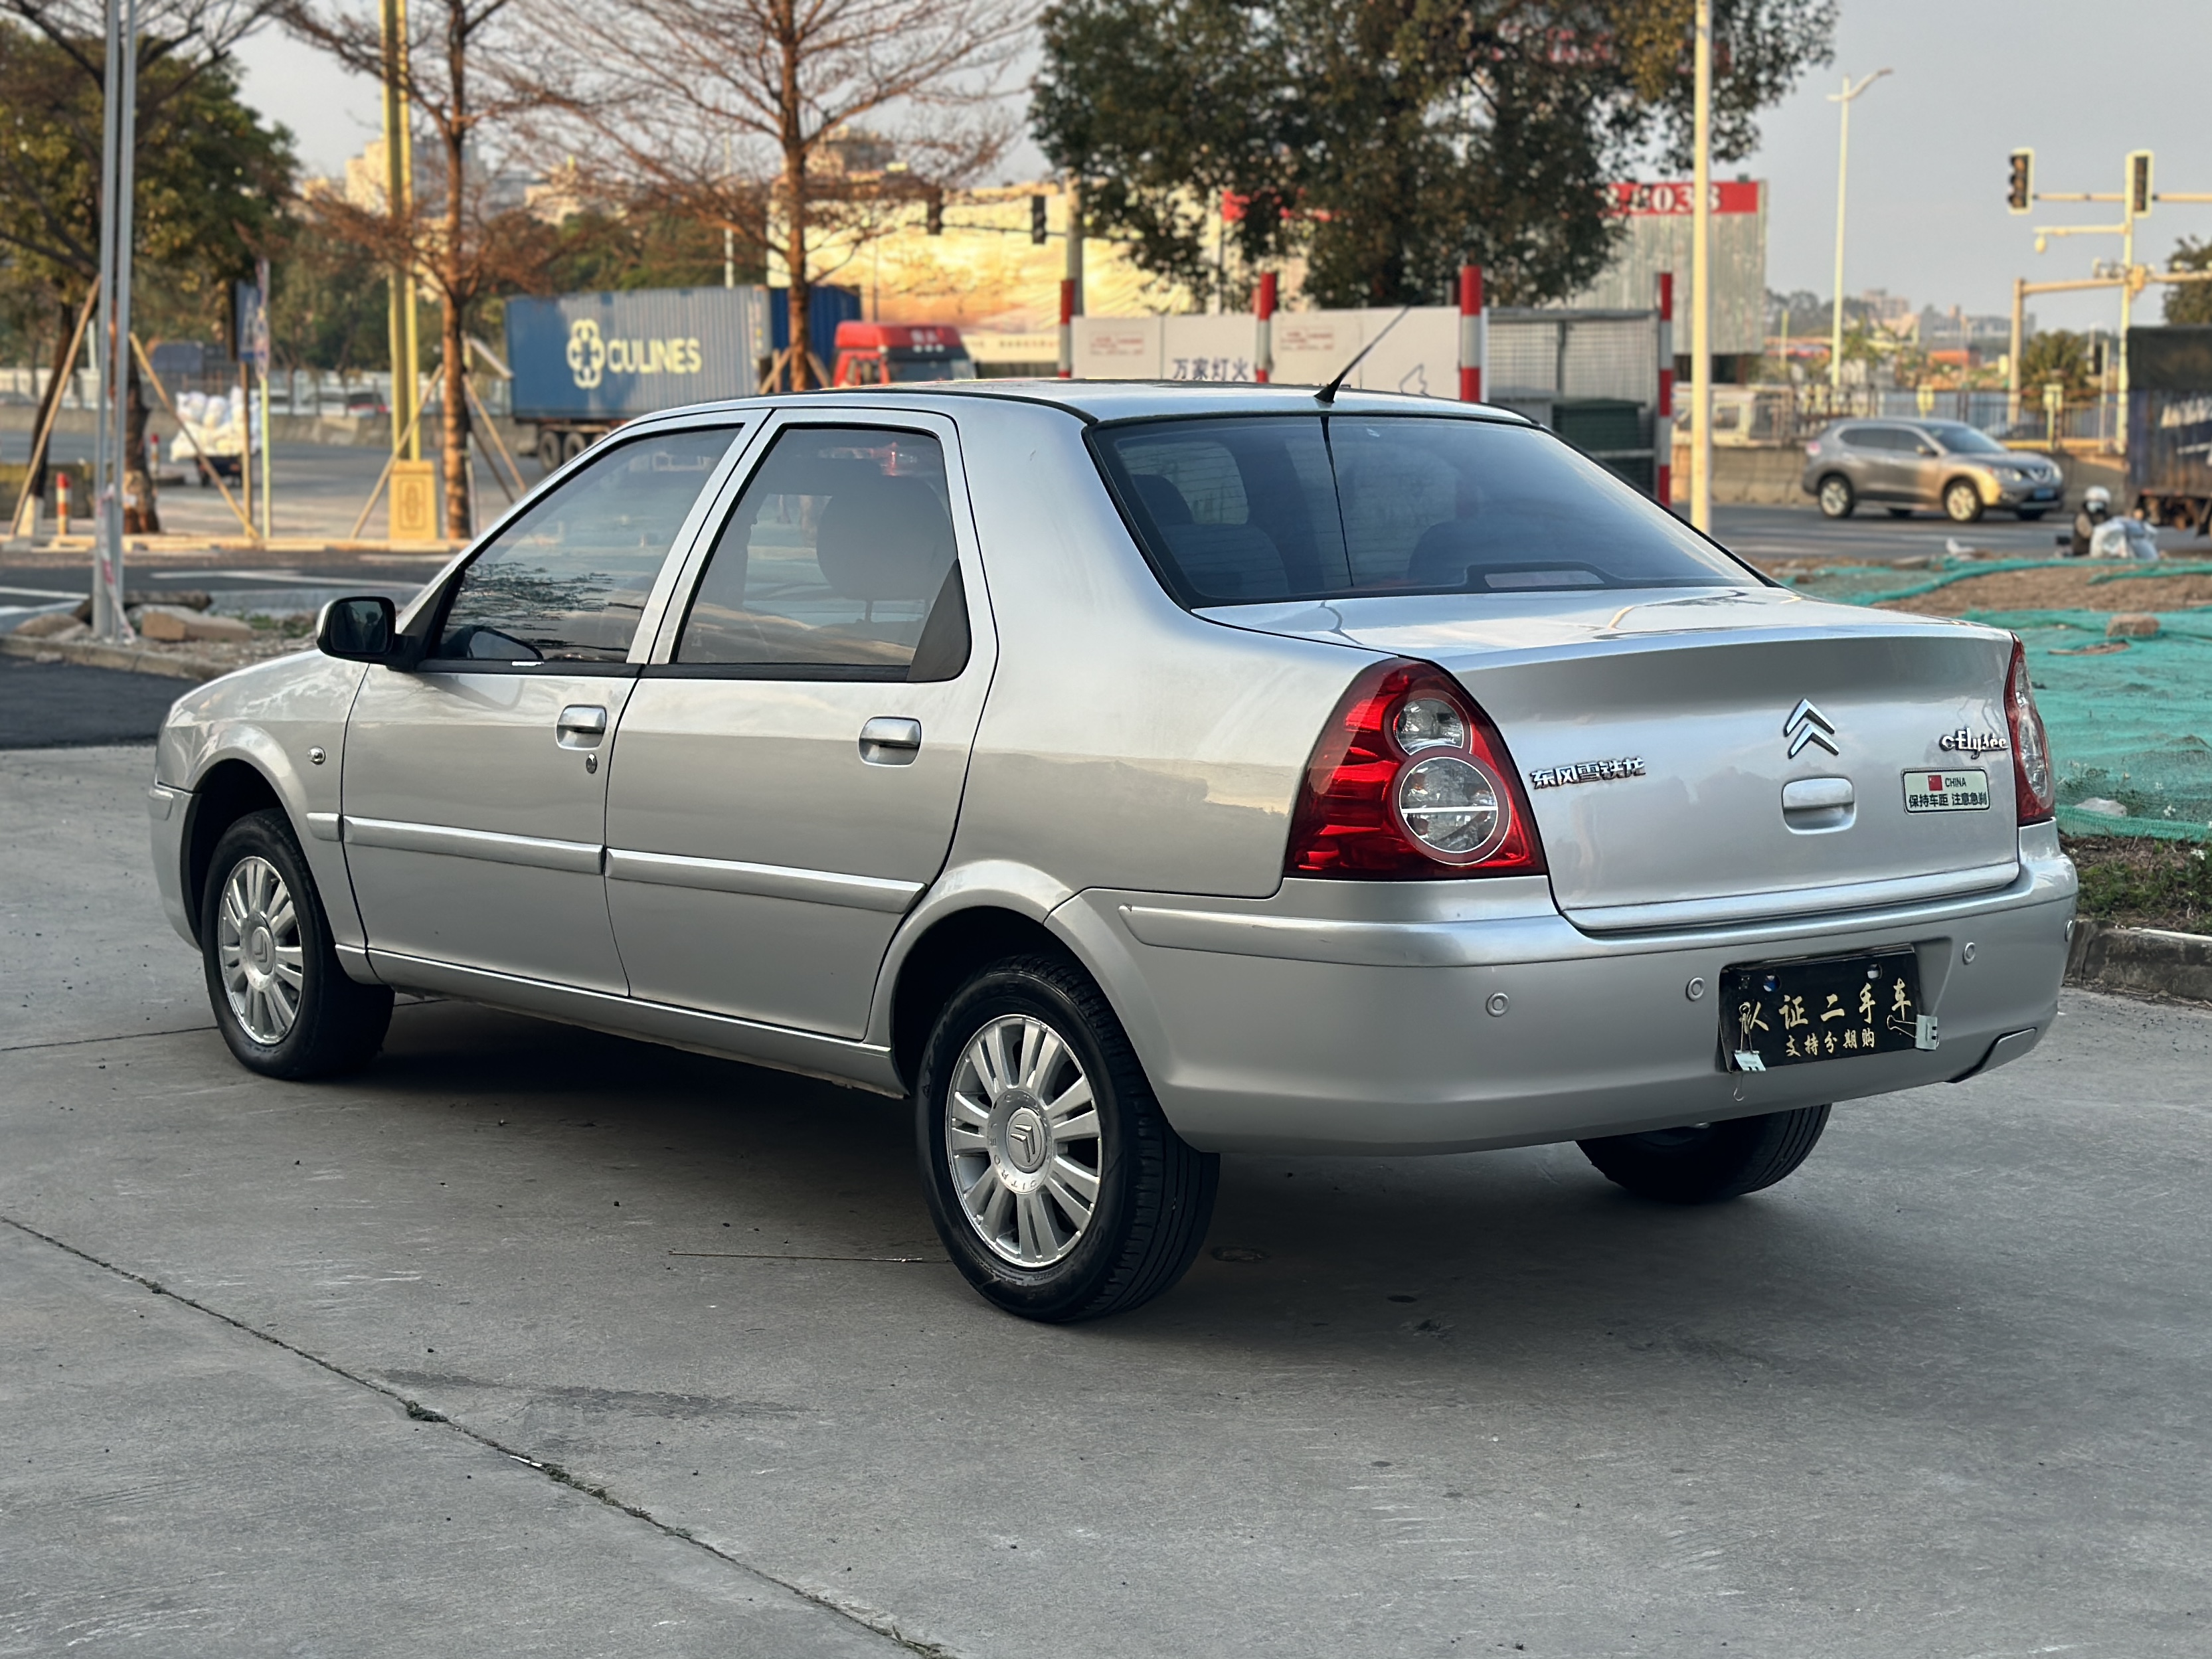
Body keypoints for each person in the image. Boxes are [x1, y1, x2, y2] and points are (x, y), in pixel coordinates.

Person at [2069, 485, 2112, 557]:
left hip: (2100, 550)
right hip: (2083, 551)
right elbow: (2088, 533)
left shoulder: (2104, 515)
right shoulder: (2083, 515)